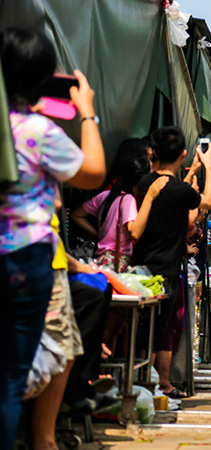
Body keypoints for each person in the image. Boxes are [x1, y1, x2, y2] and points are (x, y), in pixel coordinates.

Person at [0, 27, 105, 448]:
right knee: (11, 374)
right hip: (26, 258)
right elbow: (93, 170)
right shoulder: (37, 131)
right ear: (44, 79)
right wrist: (87, 112)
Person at [132, 126, 211, 399]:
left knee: (143, 329)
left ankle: (144, 383)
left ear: (153, 153)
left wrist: (190, 171)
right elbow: (208, 201)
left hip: (141, 267)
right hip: (168, 269)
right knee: (162, 330)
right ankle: (158, 385)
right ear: (182, 154)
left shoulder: (145, 183)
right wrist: (208, 168)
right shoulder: (182, 191)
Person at [71, 146, 168, 271]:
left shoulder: (106, 195)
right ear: (141, 178)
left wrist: (99, 234)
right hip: (118, 260)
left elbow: (76, 214)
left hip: (102, 258)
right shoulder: (128, 200)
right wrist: (150, 197)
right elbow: (135, 232)